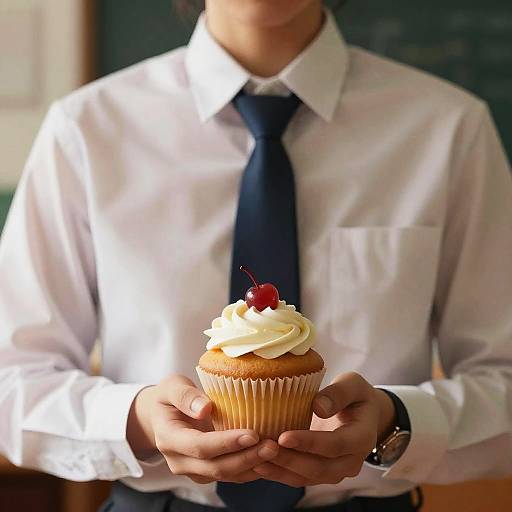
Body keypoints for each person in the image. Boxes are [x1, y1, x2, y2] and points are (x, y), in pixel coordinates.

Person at [1, 0, 512, 511]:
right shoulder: (87, 130)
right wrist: (135, 420)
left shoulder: (448, 130)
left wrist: (397, 419)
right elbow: (12, 383)